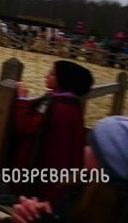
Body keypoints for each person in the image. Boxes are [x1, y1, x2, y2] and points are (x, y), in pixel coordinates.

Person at [12, 115, 128, 223]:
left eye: (92, 145)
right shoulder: (82, 186)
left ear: (107, 164)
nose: (85, 148)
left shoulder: (124, 213)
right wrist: (46, 214)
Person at [12, 61, 93, 202]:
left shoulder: (51, 104)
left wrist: (22, 99)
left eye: (52, 74)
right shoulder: (75, 106)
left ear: (64, 80)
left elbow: (27, 126)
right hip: (59, 181)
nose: (46, 76)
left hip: (38, 177)